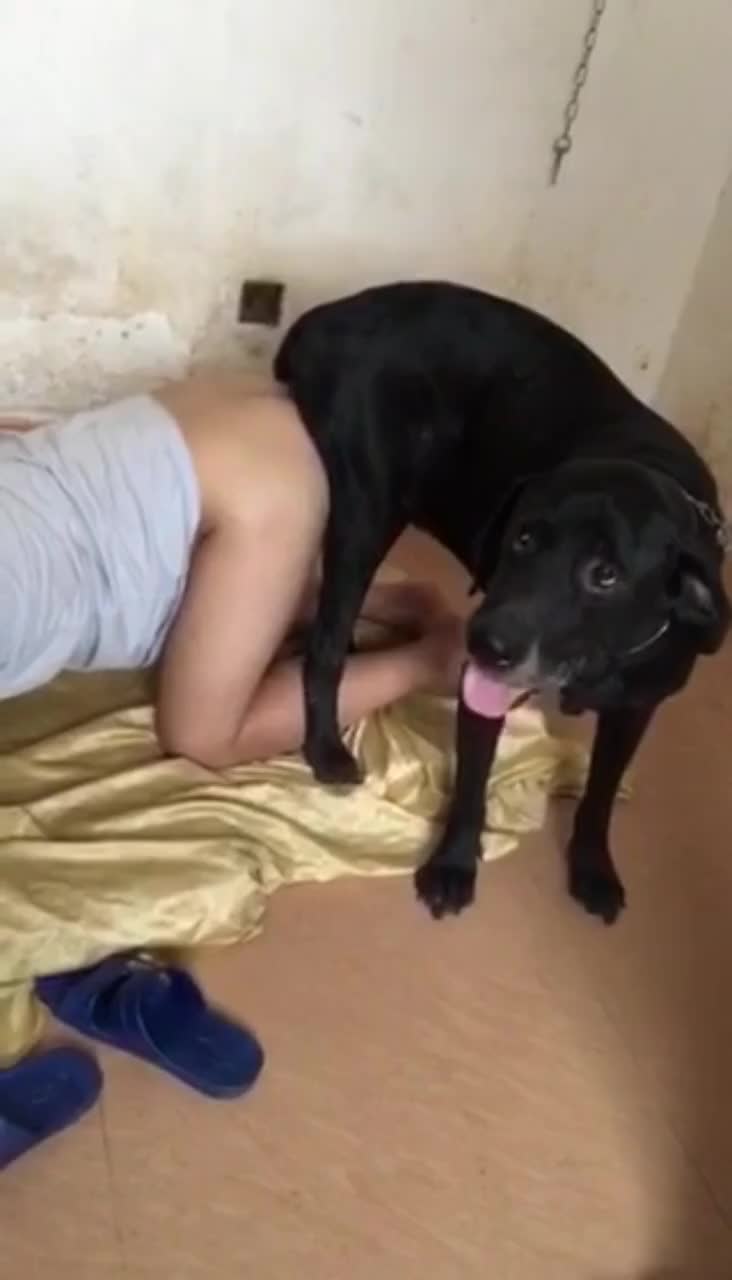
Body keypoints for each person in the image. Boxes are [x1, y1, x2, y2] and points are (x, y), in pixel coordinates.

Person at [0, 372, 465, 767]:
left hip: (255, 483)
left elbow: (199, 736)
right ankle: (382, 608)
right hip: (190, 440)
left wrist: (424, 666)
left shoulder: (274, 457)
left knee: (203, 737)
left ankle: (433, 657)